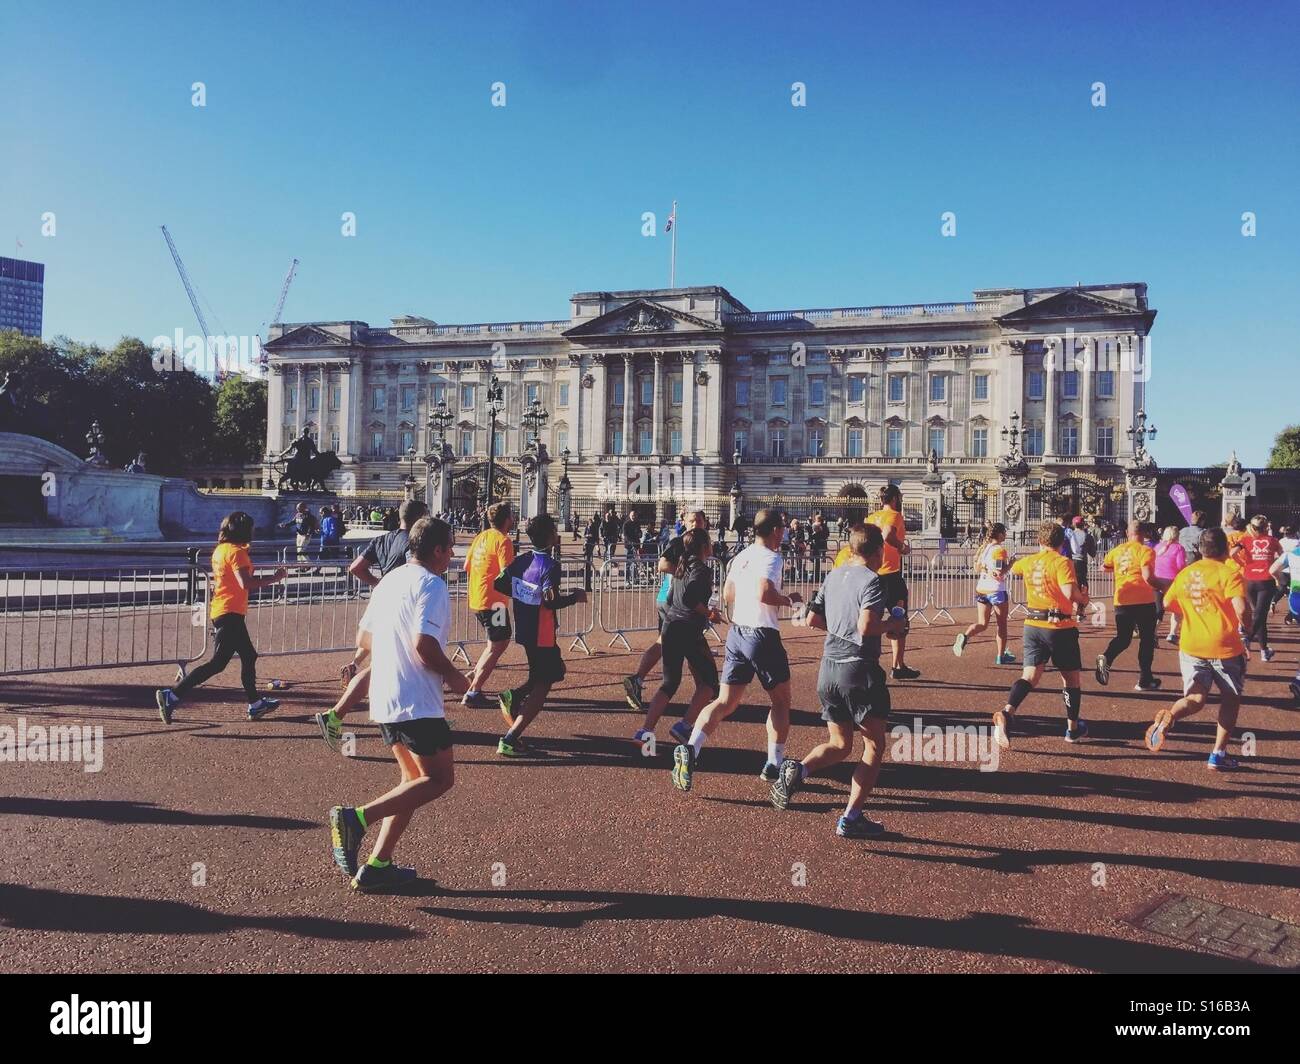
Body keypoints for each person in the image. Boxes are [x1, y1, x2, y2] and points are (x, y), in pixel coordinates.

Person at [327, 517, 468, 892]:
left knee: (411, 782)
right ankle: (356, 818)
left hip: (385, 694)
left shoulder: (389, 581)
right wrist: (455, 677)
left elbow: (364, 638)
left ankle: (378, 864)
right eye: (450, 547)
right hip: (415, 697)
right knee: (439, 779)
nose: (452, 555)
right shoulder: (432, 584)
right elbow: (425, 646)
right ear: (437, 550)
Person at [769, 525, 906, 838]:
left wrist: (842, 630)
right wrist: (894, 624)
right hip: (859, 669)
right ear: (877, 552)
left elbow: (813, 619)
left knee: (840, 743)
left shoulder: (833, 575)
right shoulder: (872, 580)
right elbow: (868, 625)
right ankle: (851, 816)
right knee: (874, 746)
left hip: (829, 669)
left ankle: (799, 769)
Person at [670, 509, 802, 791]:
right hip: (762, 634)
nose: (784, 534)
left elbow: (728, 594)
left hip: (737, 633)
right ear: (775, 530)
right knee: (780, 701)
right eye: (782, 529)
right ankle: (773, 763)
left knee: (725, 702)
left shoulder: (740, 556)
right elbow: (764, 592)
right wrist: (788, 599)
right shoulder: (772, 557)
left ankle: (692, 750)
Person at [155, 512, 287, 723]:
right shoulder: (236, 552)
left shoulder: (221, 550)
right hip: (230, 611)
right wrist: (276, 577)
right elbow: (246, 583)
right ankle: (172, 695)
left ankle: (255, 703)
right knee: (217, 663)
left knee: (249, 656)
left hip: (225, 609)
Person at [1145, 528, 1250, 771]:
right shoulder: (1229, 572)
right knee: (1231, 700)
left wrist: (1195, 613)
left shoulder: (1186, 574)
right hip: (1225, 647)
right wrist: (1249, 629)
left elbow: (1170, 602)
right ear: (1225, 548)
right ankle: (1218, 754)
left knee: (1195, 698)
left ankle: (1169, 719)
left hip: (1192, 645)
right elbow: (1242, 609)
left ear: (1201, 550)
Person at [990, 521, 1090, 749]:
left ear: (1039, 541)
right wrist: (1083, 598)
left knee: (1029, 677)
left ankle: (1007, 712)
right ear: (1062, 542)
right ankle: (1072, 729)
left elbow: (1012, 567)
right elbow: (1069, 593)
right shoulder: (1062, 562)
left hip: (1032, 625)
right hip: (1060, 627)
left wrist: (1002, 569)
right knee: (1071, 680)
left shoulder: (1030, 561)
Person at [494, 514, 587, 756]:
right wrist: (574, 597)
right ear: (548, 536)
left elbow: (500, 584)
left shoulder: (522, 560)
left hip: (526, 627)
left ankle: (513, 695)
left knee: (551, 672)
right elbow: (551, 601)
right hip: (542, 633)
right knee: (544, 684)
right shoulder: (551, 566)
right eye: (554, 530)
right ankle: (511, 737)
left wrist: (523, 594)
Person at [633, 529, 723, 745]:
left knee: (669, 683)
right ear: (704, 547)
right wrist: (709, 613)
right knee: (710, 682)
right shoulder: (701, 570)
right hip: (688, 629)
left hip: (671, 625)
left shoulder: (682, 567)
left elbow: (674, 596)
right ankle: (685, 725)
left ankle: (645, 731)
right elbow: (691, 598)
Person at [623, 510, 710, 715]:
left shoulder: (699, 542)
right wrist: (687, 575)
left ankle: (638, 679)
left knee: (665, 642)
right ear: (684, 522)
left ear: (705, 522)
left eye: (699, 520)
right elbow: (662, 565)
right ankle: (705, 691)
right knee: (692, 646)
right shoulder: (680, 542)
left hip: (677, 600)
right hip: (675, 600)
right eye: (692, 520)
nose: (696, 523)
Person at [462, 503, 517, 709]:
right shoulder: (503, 542)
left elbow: (467, 566)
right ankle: (474, 691)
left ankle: (475, 674)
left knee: (494, 643)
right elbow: (506, 574)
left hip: (478, 598)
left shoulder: (480, 537)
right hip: (495, 603)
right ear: (507, 519)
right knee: (499, 644)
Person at [1095, 520, 1161, 692]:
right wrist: (1163, 586)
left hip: (1122, 600)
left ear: (1127, 533)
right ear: (1144, 534)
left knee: (1123, 638)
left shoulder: (1116, 551)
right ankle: (1144, 678)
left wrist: (1119, 570)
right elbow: (1148, 577)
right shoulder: (1146, 551)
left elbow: (1103, 567)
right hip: (1143, 599)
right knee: (1147, 640)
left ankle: (1107, 657)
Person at [867, 485, 919, 679]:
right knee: (900, 618)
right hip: (891, 575)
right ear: (895, 498)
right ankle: (898, 665)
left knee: (871, 620)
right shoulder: (895, 515)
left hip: (872, 574)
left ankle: (870, 664)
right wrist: (902, 547)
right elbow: (888, 534)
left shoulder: (871, 517)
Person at [953, 522, 1015, 664]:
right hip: (996, 590)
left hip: (982, 588)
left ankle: (966, 636)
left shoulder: (984, 548)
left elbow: (977, 568)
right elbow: (999, 574)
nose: (1005, 534)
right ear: (999, 534)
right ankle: (1001, 655)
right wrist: (1011, 564)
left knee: (982, 623)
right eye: (1004, 532)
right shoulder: (999, 550)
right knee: (1002, 625)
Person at [1235, 515, 1281, 661]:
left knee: (1259, 616)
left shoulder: (1245, 539)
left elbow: (1232, 553)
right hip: (1266, 580)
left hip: (1249, 580)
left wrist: (1243, 564)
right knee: (1260, 615)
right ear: (1266, 527)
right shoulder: (1273, 541)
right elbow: (1281, 557)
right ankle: (1248, 638)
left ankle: (1264, 650)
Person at [1152, 525, 1187, 644]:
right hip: (1172, 582)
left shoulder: (1157, 547)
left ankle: (1153, 633)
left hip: (1157, 580)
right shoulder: (1179, 548)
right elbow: (1181, 566)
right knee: (1176, 609)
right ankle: (1172, 633)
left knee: (1158, 609)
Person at [1064, 516, 1096, 622]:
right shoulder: (1087, 536)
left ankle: (1066, 611)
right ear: (1083, 524)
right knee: (1083, 588)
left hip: (1068, 563)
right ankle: (1080, 611)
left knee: (1069, 586)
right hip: (1081, 563)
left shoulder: (1068, 534)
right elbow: (1093, 552)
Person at [622, 508, 643, 585]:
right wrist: (631, 543)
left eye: (634, 515)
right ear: (630, 516)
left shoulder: (637, 523)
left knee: (635, 563)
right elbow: (625, 535)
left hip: (636, 545)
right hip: (629, 546)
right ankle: (627, 580)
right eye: (632, 515)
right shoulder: (626, 524)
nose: (633, 517)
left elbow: (639, 532)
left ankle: (634, 578)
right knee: (628, 563)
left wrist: (640, 534)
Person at [809, 513, 831, 583]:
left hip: (820, 545)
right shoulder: (813, 525)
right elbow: (810, 535)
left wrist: (820, 533)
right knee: (814, 560)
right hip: (814, 545)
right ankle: (815, 574)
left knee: (817, 561)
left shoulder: (824, 526)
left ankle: (817, 575)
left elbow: (826, 534)